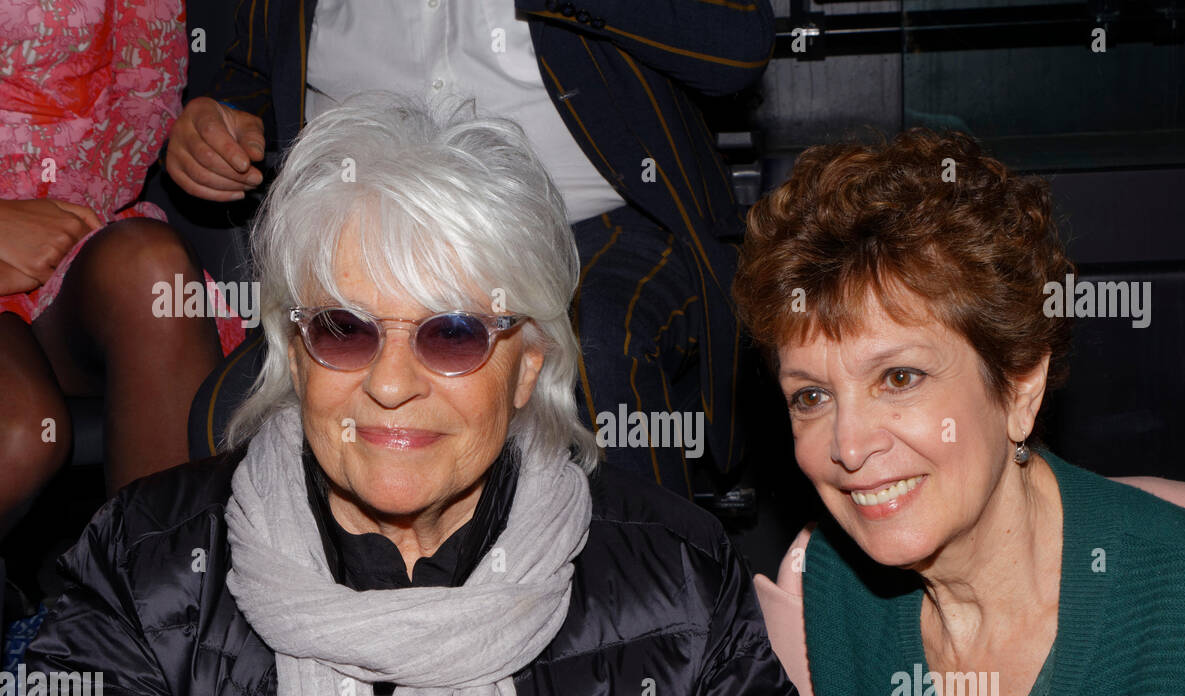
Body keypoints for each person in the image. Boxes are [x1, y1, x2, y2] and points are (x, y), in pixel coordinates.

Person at [0, 96, 845, 696]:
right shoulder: (144, 561)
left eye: (450, 335)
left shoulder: (676, 576)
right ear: (294, 352)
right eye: (342, 328)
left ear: (527, 368)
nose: (392, 383)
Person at [731, 128, 1185, 696]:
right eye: (810, 395)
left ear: (1020, 386)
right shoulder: (841, 583)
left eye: (897, 379)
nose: (847, 445)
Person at [166, 0, 775, 497]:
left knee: (599, 359)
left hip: (590, 221)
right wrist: (223, 120)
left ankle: (655, 619)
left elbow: (738, 42)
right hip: (364, 243)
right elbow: (248, 70)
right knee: (226, 412)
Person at [0, 0, 237, 549]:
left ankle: (158, 620)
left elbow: (144, 98)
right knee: (18, 435)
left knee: (154, 275)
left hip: (69, 235)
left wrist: (54, 226)